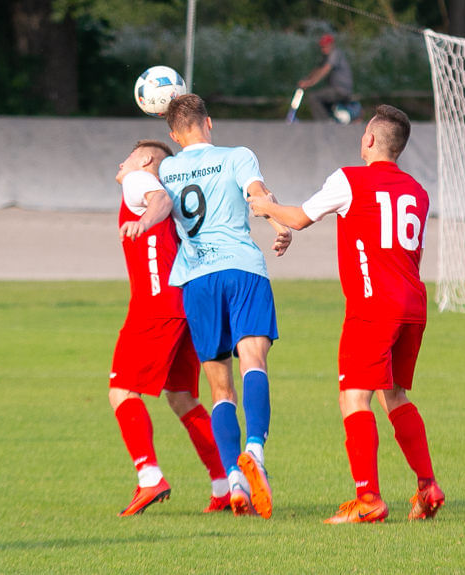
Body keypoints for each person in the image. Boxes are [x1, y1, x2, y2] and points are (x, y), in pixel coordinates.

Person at [248, 104, 445, 523]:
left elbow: (299, 218)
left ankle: (368, 498)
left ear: (369, 140)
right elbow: (416, 253)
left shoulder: (350, 179)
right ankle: (427, 487)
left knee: (353, 396)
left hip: (374, 306)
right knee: (395, 395)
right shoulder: (417, 191)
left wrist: (266, 207)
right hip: (412, 303)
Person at [154, 94, 292, 518]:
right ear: (208, 123)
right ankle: (256, 452)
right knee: (254, 361)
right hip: (242, 270)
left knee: (219, 389)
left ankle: (234, 476)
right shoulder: (237, 156)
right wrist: (277, 222)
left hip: (197, 278)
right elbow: (257, 194)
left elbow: (154, 196)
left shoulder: (168, 167)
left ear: (174, 135)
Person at [110, 139, 230, 516]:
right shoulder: (175, 197)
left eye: (129, 154)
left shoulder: (138, 182)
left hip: (155, 306)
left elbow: (157, 201)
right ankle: (226, 486)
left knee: (122, 391)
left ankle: (149, 477)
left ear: (145, 160)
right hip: (184, 304)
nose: (122, 160)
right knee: (183, 399)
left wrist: (143, 220)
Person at [297, 33, 354, 121]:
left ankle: (324, 125)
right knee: (322, 99)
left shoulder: (335, 53)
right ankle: (330, 121)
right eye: (322, 47)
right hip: (335, 89)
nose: (324, 49)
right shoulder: (325, 57)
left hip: (341, 90)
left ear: (332, 45)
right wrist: (307, 78)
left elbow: (325, 70)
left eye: (326, 46)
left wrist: (310, 83)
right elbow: (318, 69)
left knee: (313, 97)